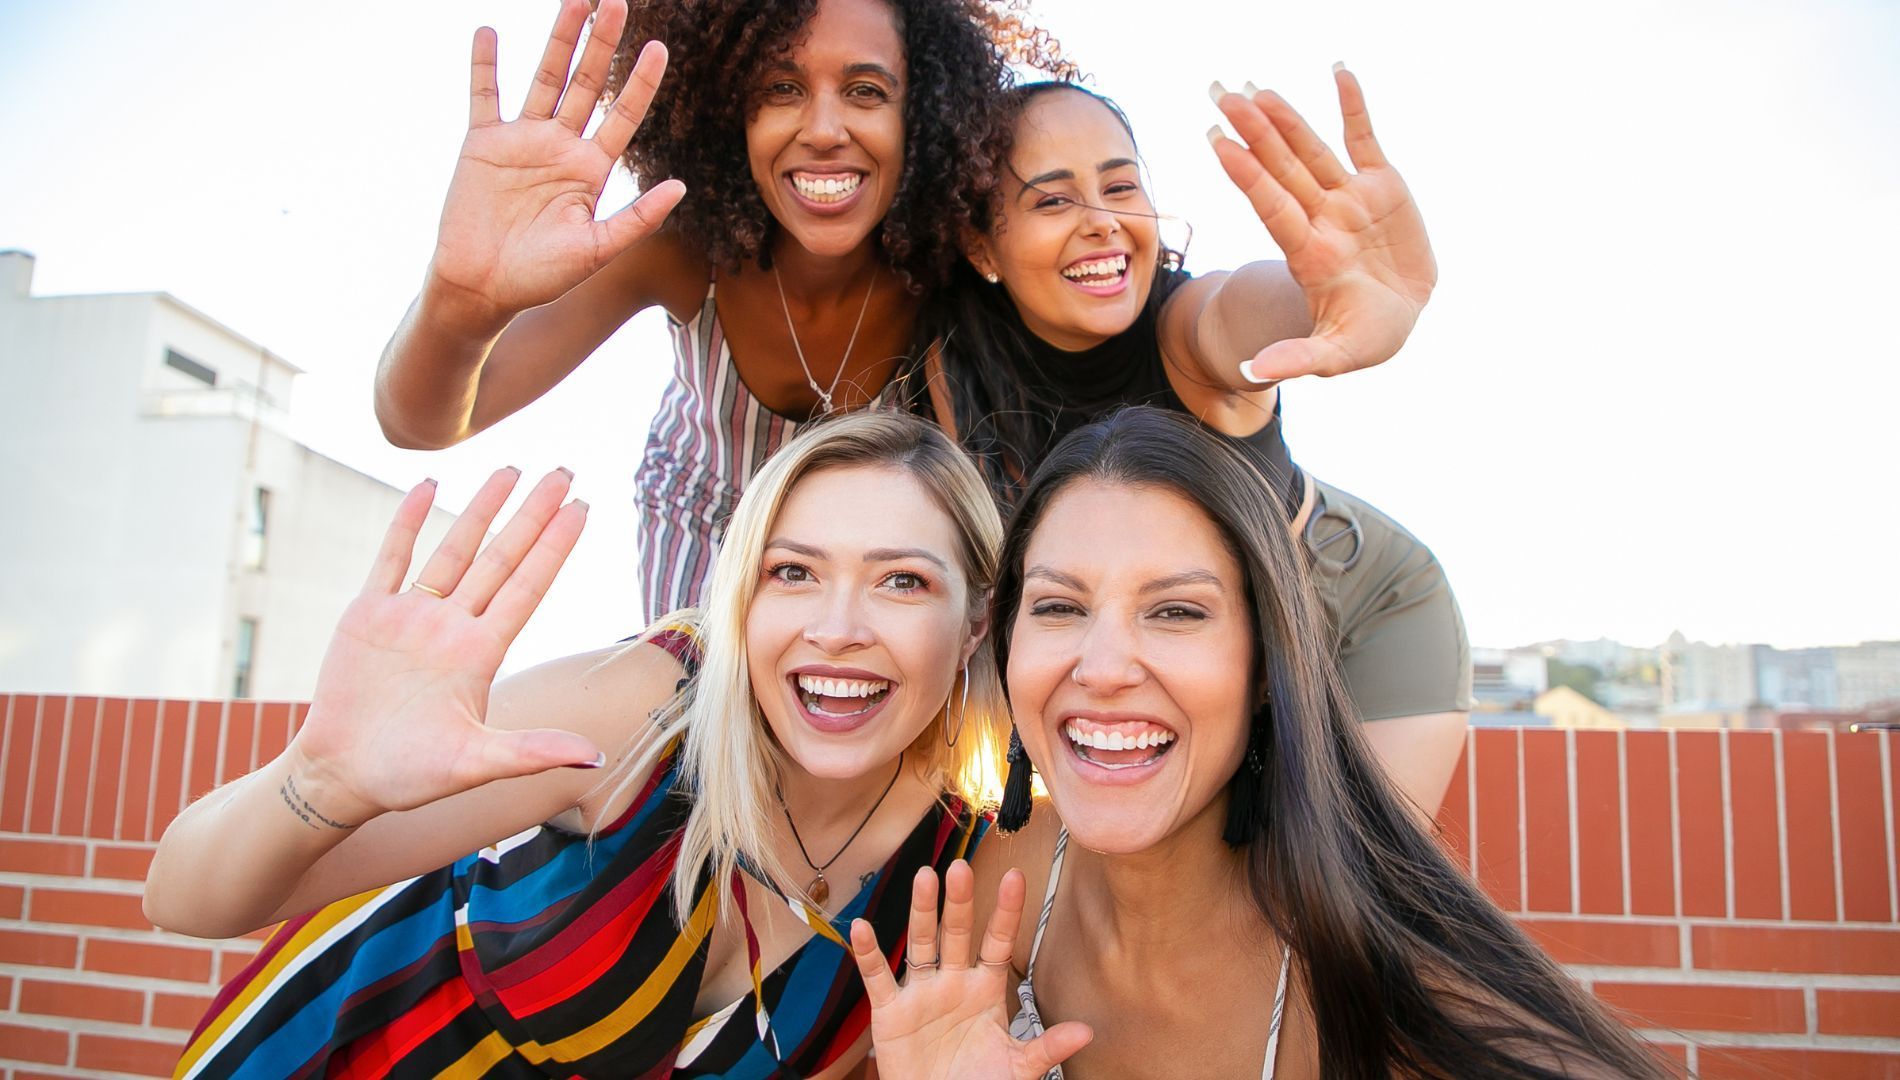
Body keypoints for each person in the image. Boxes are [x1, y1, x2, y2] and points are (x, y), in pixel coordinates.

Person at [147, 412, 1005, 1077]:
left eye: (902, 581)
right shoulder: (647, 711)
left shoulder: (960, 870)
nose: (837, 627)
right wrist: (321, 780)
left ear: (972, 624)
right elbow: (186, 900)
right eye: (793, 572)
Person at [849, 408, 1669, 1080]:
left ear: (1268, 666)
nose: (1100, 669)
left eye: (1176, 611)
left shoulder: (1398, 1004)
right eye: (1060, 607)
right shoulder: (1009, 878)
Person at [372, 0, 1068, 623]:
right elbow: (421, 421)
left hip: (872, 557)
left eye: (865, 91)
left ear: (919, 117)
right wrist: (457, 300)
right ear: (728, 109)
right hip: (703, 535)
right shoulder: (679, 251)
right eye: (780, 89)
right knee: (698, 735)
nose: (825, 129)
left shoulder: (947, 275)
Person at [921, 74, 1468, 812]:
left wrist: (1323, 298)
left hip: (1355, 604)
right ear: (981, 242)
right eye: (1052, 200)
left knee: (1345, 901)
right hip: (1186, 643)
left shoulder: (1186, 328)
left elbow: (1239, 311)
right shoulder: (959, 366)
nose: (1102, 221)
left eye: (1120, 188)